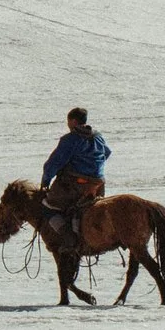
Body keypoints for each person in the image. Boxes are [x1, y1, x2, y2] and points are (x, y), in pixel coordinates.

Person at [40, 107, 109, 251]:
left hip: (77, 185)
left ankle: (69, 238)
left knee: (47, 207)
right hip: (98, 184)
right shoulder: (98, 136)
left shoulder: (70, 140)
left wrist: (45, 181)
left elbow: (53, 164)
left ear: (73, 121)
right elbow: (107, 153)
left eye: (68, 122)